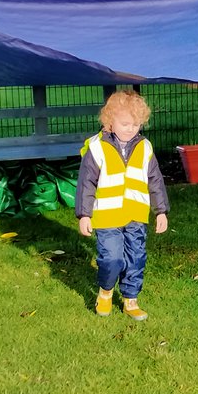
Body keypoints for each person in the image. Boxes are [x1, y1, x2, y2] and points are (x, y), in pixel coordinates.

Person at [75, 90, 169, 320]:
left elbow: (155, 180)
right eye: (125, 123)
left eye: (136, 124)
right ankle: (106, 292)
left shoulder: (145, 147)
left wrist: (161, 211)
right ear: (110, 122)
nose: (131, 128)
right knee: (112, 258)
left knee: (136, 258)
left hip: (136, 216)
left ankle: (131, 300)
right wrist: (84, 215)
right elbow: (86, 183)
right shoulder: (97, 148)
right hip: (107, 217)